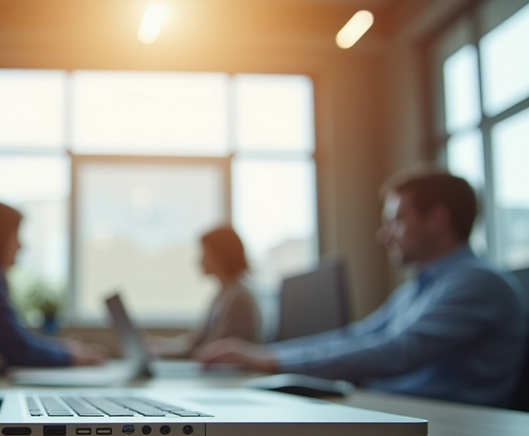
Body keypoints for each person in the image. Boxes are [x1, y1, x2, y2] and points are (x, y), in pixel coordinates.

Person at [194, 168, 529, 407]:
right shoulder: (415, 291)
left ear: (437, 220)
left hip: (455, 430)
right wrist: (270, 357)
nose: (384, 235)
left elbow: (399, 352)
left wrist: (269, 359)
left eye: (396, 220)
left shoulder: (478, 282)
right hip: (401, 412)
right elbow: (357, 335)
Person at [0, 197, 106, 372]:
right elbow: (17, 349)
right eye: (15, 235)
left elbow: (16, 338)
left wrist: (64, 349)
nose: (20, 245)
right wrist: (71, 356)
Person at [148, 226, 262, 358]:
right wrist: (157, 345)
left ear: (220, 255)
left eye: (204, 253)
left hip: (229, 375)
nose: (199, 260)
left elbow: (215, 351)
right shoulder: (223, 294)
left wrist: (160, 351)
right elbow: (195, 342)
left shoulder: (238, 297)